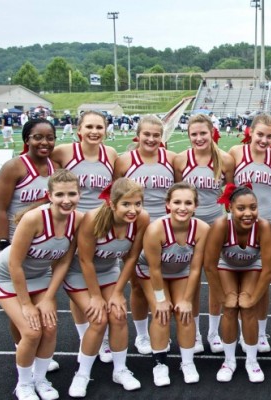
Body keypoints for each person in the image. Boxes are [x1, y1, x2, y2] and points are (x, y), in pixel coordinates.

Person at [0, 169, 82, 400]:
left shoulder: (78, 220)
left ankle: (40, 380)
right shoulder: (35, 219)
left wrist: (50, 296)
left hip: (40, 278)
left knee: (50, 327)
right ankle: (23, 384)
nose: (66, 200)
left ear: (80, 195)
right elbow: (14, 264)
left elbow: (63, 262)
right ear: (49, 195)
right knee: (32, 332)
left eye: (72, 194)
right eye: (60, 194)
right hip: (7, 278)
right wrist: (27, 304)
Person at [64, 178, 149, 397]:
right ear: (112, 204)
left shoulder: (142, 219)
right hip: (79, 274)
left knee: (119, 315)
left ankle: (120, 370)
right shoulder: (93, 219)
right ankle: (82, 374)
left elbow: (131, 259)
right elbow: (85, 261)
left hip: (109, 271)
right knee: (99, 318)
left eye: (138, 203)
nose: (133, 210)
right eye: (127, 204)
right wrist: (95, 297)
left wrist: (119, 292)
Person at [52, 110, 118, 363]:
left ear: (106, 129)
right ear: (79, 129)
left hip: (101, 225)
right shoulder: (63, 152)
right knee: (75, 275)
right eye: (89, 126)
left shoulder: (111, 155)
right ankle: (85, 335)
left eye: (99, 127)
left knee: (99, 271)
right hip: (70, 224)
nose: (94, 132)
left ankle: (100, 338)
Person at [135, 183, 209, 387]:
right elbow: (155, 269)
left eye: (188, 203)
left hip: (181, 270)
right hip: (152, 272)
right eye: (176, 202)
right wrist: (161, 300)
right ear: (167, 204)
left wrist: (186, 300)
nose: (182, 208)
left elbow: (195, 268)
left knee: (185, 313)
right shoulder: (156, 229)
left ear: (195, 206)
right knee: (162, 314)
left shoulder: (202, 229)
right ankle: (159, 365)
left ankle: (187, 362)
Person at [114, 115, 177, 355]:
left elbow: (178, 191)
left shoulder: (172, 160)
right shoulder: (124, 161)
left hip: (165, 232)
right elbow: (115, 195)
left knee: (168, 280)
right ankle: (142, 335)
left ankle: (166, 330)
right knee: (138, 286)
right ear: (137, 135)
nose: (151, 139)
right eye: (147, 134)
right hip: (133, 230)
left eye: (156, 135)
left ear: (162, 137)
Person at [174, 113, 235, 354]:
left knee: (214, 278)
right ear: (188, 136)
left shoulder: (226, 160)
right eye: (194, 134)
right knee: (192, 279)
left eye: (203, 133)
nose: (199, 138)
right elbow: (177, 195)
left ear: (212, 133)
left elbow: (230, 197)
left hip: (215, 223)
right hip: (188, 225)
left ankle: (213, 332)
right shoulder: (180, 160)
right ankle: (196, 333)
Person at [203, 185, 271, 383]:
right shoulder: (220, 226)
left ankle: (251, 361)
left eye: (253, 207)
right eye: (241, 208)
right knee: (229, 309)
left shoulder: (264, 227)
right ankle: (229, 361)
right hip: (226, 265)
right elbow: (209, 266)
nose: (248, 213)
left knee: (248, 308)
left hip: (253, 265)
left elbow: (269, 268)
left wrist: (254, 297)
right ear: (230, 209)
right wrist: (221, 297)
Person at [229, 114, 271, 352]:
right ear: (250, 131)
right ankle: (239, 330)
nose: (264, 140)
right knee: (235, 279)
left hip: (266, 225)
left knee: (262, 280)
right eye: (260, 134)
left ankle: (260, 333)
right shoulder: (236, 153)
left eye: (269, 136)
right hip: (238, 227)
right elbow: (228, 188)